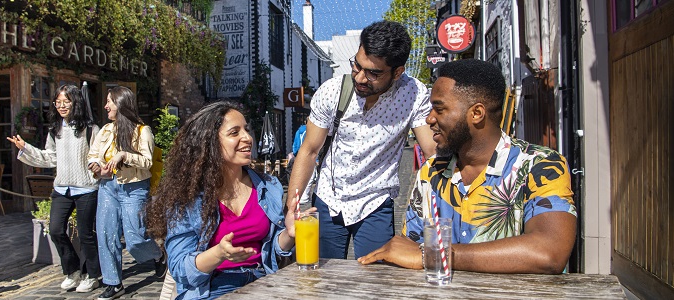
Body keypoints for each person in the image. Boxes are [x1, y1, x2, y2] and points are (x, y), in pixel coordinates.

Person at [358, 59, 578, 274]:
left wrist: (436, 255)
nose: (429, 119)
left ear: (476, 113)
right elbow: (409, 251)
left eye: (439, 109)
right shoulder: (432, 171)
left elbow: (549, 253)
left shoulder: (539, 166)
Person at [286, 20, 437, 259]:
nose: (360, 78)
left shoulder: (414, 95)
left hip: (375, 201)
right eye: (357, 66)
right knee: (325, 279)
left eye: (373, 73)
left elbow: (432, 153)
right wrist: (292, 206)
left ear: (397, 72)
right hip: (329, 198)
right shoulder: (332, 91)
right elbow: (309, 150)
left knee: (376, 278)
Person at [145, 101, 306, 299]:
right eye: (234, 132)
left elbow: (271, 251)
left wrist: (289, 235)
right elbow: (180, 268)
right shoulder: (187, 195)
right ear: (209, 142)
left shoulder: (268, 186)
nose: (247, 138)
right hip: (212, 287)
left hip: (264, 281)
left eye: (246, 130)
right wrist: (219, 253)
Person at [7, 84, 101, 293]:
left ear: (75, 102)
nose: (61, 106)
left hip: (86, 188)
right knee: (56, 230)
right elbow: (49, 157)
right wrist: (26, 149)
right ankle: (73, 271)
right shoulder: (55, 129)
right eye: (57, 102)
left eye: (65, 102)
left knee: (86, 234)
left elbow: (100, 156)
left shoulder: (91, 129)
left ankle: (93, 275)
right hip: (62, 188)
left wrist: (99, 166)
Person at [87, 86, 166, 300]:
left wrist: (124, 155)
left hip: (134, 187)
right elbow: (92, 155)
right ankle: (114, 283)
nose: (106, 106)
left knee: (134, 238)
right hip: (108, 187)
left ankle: (158, 255)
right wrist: (95, 166)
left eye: (110, 101)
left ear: (121, 104)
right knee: (106, 235)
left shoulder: (142, 131)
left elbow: (147, 162)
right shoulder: (104, 130)